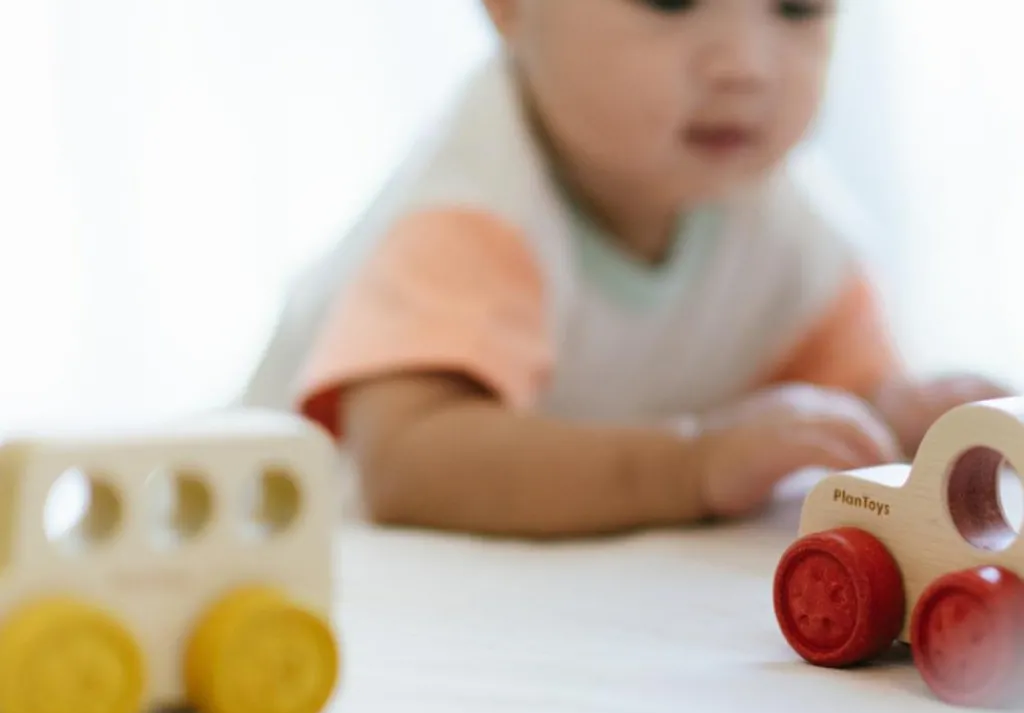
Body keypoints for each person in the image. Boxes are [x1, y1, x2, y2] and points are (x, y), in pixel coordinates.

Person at [250, 0, 1008, 537]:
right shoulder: (481, 204)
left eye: (798, 9)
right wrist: (690, 464)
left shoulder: (778, 217)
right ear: (509, 7)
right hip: (267, 544)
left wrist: (903, 416)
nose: (745, 66)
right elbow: (410, 462)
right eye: (669, 1)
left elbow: (839, 396)